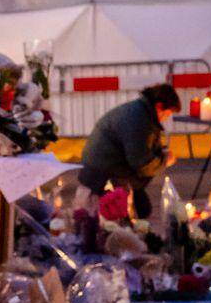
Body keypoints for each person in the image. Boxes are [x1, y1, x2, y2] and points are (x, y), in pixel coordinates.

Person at [75, 84, 180, 218]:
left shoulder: (141, 111)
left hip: (109, 169)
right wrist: (164, 161)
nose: (165, 119)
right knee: (131, 214)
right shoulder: (139, 119)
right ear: (159, 106)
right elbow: (141, 164)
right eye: (167, 114)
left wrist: (160, 153)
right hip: (103, 176)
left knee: (142, 208)